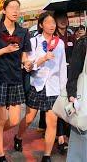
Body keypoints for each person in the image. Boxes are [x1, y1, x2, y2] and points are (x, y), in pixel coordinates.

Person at [15, 12, 67, 162]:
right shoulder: (33, 42)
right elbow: (29, 66)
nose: (52, 25)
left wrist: (63, 89)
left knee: (52, 122)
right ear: (41, 25)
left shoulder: (60, 43)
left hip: (53, 87)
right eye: (48, 22)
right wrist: (43, 58)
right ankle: (18, 137)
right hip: (37, 85)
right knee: (30, 117)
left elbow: (62, 67)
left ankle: (47, 155)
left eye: (53, 23)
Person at [0, 0, 32, 162]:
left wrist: (26, 63)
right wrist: (5, 50)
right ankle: (0, 156)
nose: (15, 10)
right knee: (1, 119)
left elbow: (25, 55)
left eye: (18, 8)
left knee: (13, 120)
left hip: (16, 79)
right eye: (12, 7)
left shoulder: (23, 32)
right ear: (4, 10)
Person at [54, 11, 75, 154]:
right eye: (59, 18)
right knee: (61, 105)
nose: (62, 20)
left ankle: (70, 134)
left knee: (71, 104)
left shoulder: (72, 35)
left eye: (64, 18)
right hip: (58, 77)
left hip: (73, 76)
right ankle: (61, 137)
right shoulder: (53, 38)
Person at [66, 33, 87, 161]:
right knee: (80, 144)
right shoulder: (83, 43)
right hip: (83, 101)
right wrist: (72, 95)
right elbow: (73, 73)